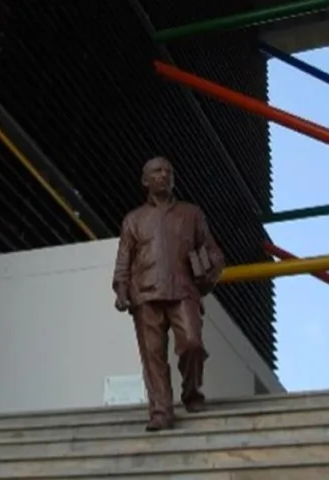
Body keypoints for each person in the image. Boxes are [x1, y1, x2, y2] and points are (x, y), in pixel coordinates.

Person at [112, 156, 225, 431]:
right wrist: (122, 288)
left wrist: (209, 275)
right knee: (153, 356)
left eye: (167, 171)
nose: (163, 175)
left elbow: (213, 252)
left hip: (183, 291)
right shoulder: (134, 219)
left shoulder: (192, 213)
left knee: (192, 344)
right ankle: (161, 411)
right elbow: (123, 260)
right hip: (145, 295)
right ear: (145, 181)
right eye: (156, 171)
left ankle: (191, 392)